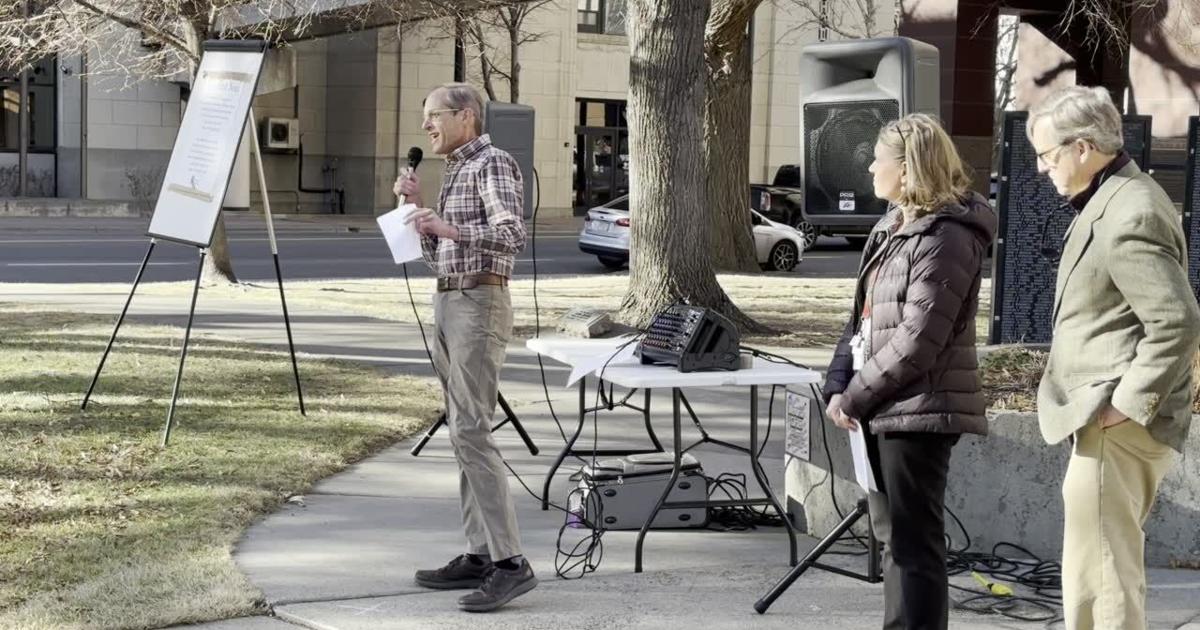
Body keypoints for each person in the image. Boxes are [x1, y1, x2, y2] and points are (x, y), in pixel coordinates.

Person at [1028, 85, 1200, 630]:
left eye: (1048, 154)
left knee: (1103, 579)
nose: (1042, 168)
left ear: (1083, 148)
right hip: (1109, 422)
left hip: (1117, 423)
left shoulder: (1129, 209)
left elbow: (1177, 321)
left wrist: (1125, 404)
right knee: (1096, 572)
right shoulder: (1120, 197)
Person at [822, 113, 996, 630]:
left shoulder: (948, 235)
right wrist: (836, 382)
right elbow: (861, 319)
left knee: (912, 544)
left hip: (919, 411)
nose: (870, 167)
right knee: (892, 539)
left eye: (879, 159)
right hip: (880, 406)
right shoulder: (891, 225)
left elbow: (918, 340)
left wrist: (853, 397)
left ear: (908, 167)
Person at [392, 82, 534, 613]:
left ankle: (511, 563)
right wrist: (421, 212)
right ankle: (480, 554)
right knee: (461, 429)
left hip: (480, 304)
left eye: (434, 115)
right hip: (451, 301)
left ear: (466, 115)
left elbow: (512, 235)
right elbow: (439, 255)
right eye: (424, 117)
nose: (426, 125)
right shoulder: (455, 170)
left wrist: (448, 227)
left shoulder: (491, 163)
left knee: (472, 428)